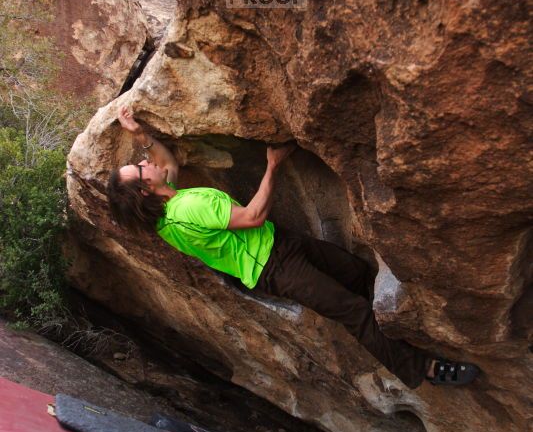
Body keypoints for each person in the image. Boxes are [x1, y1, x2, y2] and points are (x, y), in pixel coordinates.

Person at [107, 107, 480, 390]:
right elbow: (252, 216)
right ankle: (424, 369)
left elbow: (166, 161)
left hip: (280, 245)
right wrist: (273, 166)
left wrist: (140, 132)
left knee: (356, 272)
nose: (145, 163)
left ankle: (396, 332)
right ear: (145, 189)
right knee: (354, 312)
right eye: (140, 169)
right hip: (276, 267)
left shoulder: (163, 212)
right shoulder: (189, 207)